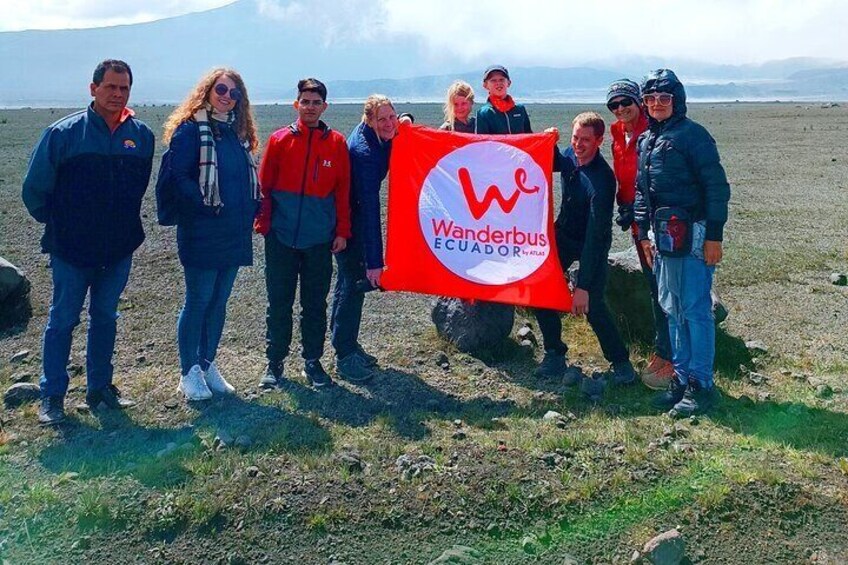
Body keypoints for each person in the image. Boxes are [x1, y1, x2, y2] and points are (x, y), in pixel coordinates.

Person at [22, 59, 154, 425]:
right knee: (63, 319)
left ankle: (99, 389)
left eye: (124, 88)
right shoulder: (63, 134)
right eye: (110, 86)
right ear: (93, 88)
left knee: (105, 318)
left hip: (117, 249)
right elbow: (34, 191)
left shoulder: (141, 136)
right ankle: (52, 395)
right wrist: (64, 225)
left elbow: (137, 189)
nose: (117, 94)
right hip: (71, 250)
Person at [634, 69, 731, 416]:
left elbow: (716, 189)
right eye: (651, 99)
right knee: (672, 310)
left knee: (694, 310)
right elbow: (642, 193)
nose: (657, 104)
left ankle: (701, 385)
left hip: (694, 234)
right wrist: (643, 234)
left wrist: (714, 236)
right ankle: (681, 378)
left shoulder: (694, 136)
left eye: (664, 98)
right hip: (662, 238)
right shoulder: (646, 141)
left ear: (677, 101)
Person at [161, 68, 260, 401]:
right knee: (198, 300)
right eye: (221, 89)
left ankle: (207, 363)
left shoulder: (235, 134)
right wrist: (205, 206)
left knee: (219, 302)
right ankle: (188, 372)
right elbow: (179, 177)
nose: (227, 96)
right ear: (207, 90)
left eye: (234, 93)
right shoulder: (190, 131)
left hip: (233, 232)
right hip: (202, 231)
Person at [254, 78, 351, 390]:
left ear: (324, 106)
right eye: (305, 102)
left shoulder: (336, 143)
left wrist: (342, 231)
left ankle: (313, 361)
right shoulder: (280, 140)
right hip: (281, 237)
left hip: (319, 240)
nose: (310, 107)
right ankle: (275, 362)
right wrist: (264, 224)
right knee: (278, 302)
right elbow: (264, 186)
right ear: (296, 105)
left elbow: (343, 191)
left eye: (315, 102)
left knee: (315, 303)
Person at [533, 112, 637, 386]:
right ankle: (554, 353)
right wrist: (548, 142)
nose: (578, 144)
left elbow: (595, 237)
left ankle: (621, 363)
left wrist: (582, 287)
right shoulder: (569, 154)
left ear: (599, 141)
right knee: (540, 290)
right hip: (564, 235)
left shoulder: (602, 181)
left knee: (593, 303)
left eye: (585, 140)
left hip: (592, 242)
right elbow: (553, 161)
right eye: (575, 137)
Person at [330, 95, 412, 383]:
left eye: (392, 116)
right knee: (353, 284)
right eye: (382, 119)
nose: (389, 123)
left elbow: (398, 126)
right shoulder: (364, 153)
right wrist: (375, 262)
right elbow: (368, 210)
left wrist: (406, 121)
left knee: (347, 283)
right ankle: (344, 356)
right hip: (350, 223)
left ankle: (346, 344)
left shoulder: (374, 134)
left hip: (349, 217)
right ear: (368, 120)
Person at [606, 79, 674, 389]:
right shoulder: (617, 132)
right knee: (652, 284)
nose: (621, 109)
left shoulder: (654, 131)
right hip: (636, 224)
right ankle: (664, 350)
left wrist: (639, 207)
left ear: (639, 102)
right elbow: (623, 174)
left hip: (656, 223)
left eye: (626, 102)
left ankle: (671, 357)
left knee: (665, 287)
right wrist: (624, 204)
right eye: (614, 105)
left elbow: (657, 179)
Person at [475, 65, 531, 134]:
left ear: (509, 83)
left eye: (501, 79)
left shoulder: (520, 109)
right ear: (485, 85)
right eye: (493, 80)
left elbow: (529, 137)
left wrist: (546, 135)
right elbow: (482, 142)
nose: (498, 83)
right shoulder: (484, 113)